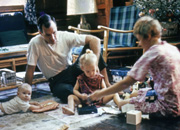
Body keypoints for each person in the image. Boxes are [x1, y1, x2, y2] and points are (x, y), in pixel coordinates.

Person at [90, 16, 180, 117]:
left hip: (168, 107)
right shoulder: (172, 49)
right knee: (135, 93)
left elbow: (125, 83)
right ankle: (132, 98)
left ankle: (123, 102)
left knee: (122, 105)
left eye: (140, 40)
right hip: (176, 99)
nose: (139, 44)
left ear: (148, 36)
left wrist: (99, 94)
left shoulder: (152, 53)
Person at [25, 14, 111, 103]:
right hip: (57, 81)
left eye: (54, 32)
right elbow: (30, 69)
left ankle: (107, 85)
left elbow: (95, 40)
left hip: (72, 71)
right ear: (40, 33)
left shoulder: (64, 36)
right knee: (65, 91)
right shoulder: (34, 43)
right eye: (48, 35)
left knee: (91, 49)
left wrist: (95, 64)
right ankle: (85, 97)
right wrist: (26, 94)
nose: (53, 38)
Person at [62, 49, 121, 115]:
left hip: (99, 100)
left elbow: (104, 88)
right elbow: (75, 90)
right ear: (82, 68)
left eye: (93, 70)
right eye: (88, 71)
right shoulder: (80, 78)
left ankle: (120, 105)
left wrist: (100, 94)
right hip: (84, 101)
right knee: (70, 96)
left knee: (115, 93)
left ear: (96, 66)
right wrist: (81, 96)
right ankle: (71, 109)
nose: (91, 73)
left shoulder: (99, 77)